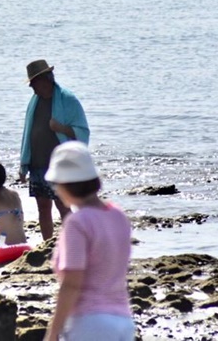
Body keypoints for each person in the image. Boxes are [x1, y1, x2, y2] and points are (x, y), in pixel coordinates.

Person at [43, 141, 134, 341]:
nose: (55, 190)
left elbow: (72, 283)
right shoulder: (118, 215)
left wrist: (53, 332)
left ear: (65, 184)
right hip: (124, 321)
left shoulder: (77, 222)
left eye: (55, 184)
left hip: (90, 322)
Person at [20, 59, 90, 241]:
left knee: (63, 206)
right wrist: (24, 164)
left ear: (46, 79)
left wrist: (61, 128)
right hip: (37, 163)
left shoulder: (67, 100)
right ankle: (47, 245)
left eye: (34, 83)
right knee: (43, 208)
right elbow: (27, 133)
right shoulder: (34, 101)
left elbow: (83, 132)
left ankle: (73, 242)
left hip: (60, 166)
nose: (32, 87)